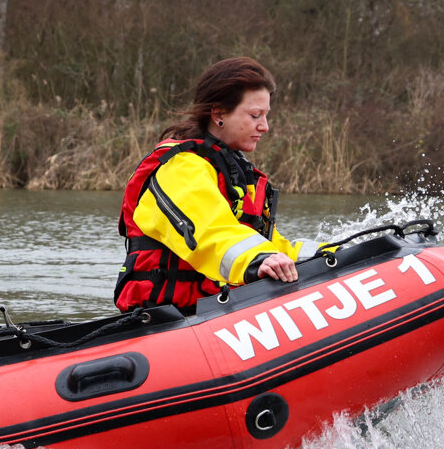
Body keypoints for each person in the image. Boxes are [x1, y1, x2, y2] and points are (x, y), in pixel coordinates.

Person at [115, 57, 324, 312]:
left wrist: (334, 253)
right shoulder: (180, 167)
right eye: (255, 115)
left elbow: (270, 244)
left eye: (266, 116)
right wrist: (260, 260)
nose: (265, 126)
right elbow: (211, 232)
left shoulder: (233, 172)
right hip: (167, 317)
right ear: (218, 114)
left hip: (212, 310)